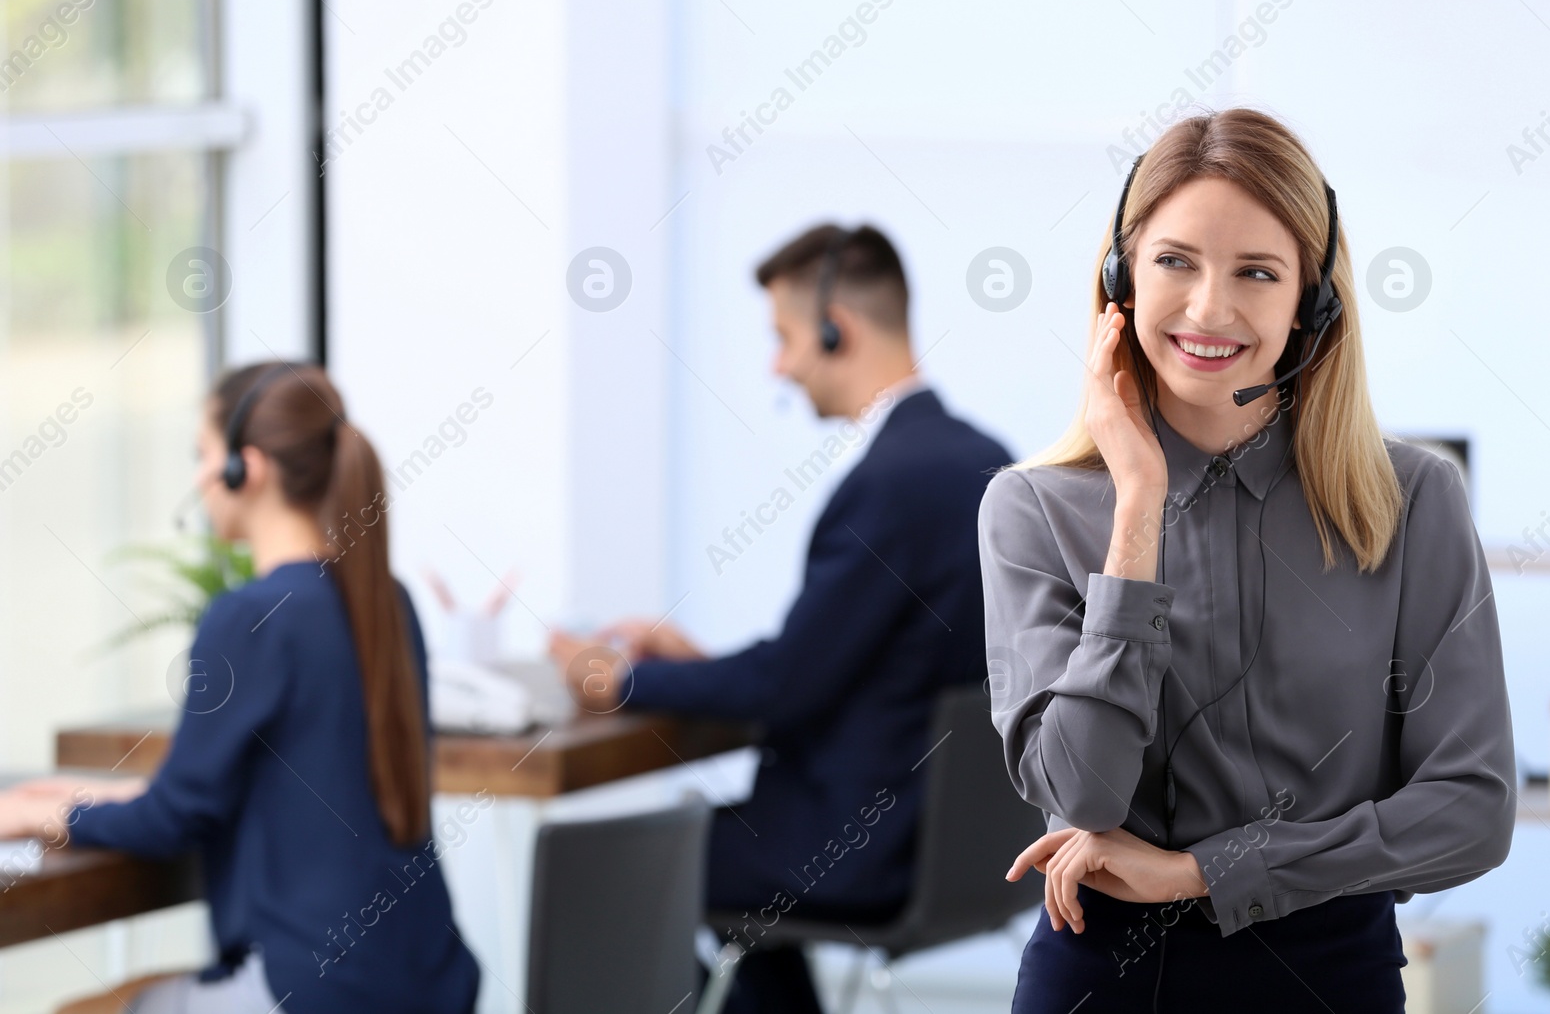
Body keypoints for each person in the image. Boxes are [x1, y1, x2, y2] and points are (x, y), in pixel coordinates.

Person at [979, 108, 1515, 1013]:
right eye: (1175, 261)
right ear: (1120, 280)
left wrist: (1202, 871)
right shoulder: (1032, 508)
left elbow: (1470, 811)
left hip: (1330, 979)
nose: (1208, 308)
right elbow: (1084, 789)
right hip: (1102, 983)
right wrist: (1138, 507)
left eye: (1257, 273)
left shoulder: (1414, 499)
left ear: (1312, 304)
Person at [549, 223, 1013, 1014]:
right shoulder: (982, 458)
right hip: (959, 844)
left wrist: (623, 678)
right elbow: (844, 663)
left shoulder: (888, 487)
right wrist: (698, 667)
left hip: (861, 846)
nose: (778, 365)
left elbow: (787, 686)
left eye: (786, 337)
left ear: (840, 330)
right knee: (733, 895)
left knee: (623, 867)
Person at [0, 362, 480, 1014]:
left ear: (243, 469)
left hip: (316, 993)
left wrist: (41, 815)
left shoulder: (250, 616)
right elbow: (260, 788)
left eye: (202, 456)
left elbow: (176, 819)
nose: (197, 479)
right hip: (425, 979)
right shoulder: (388, 602)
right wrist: (86, 797)